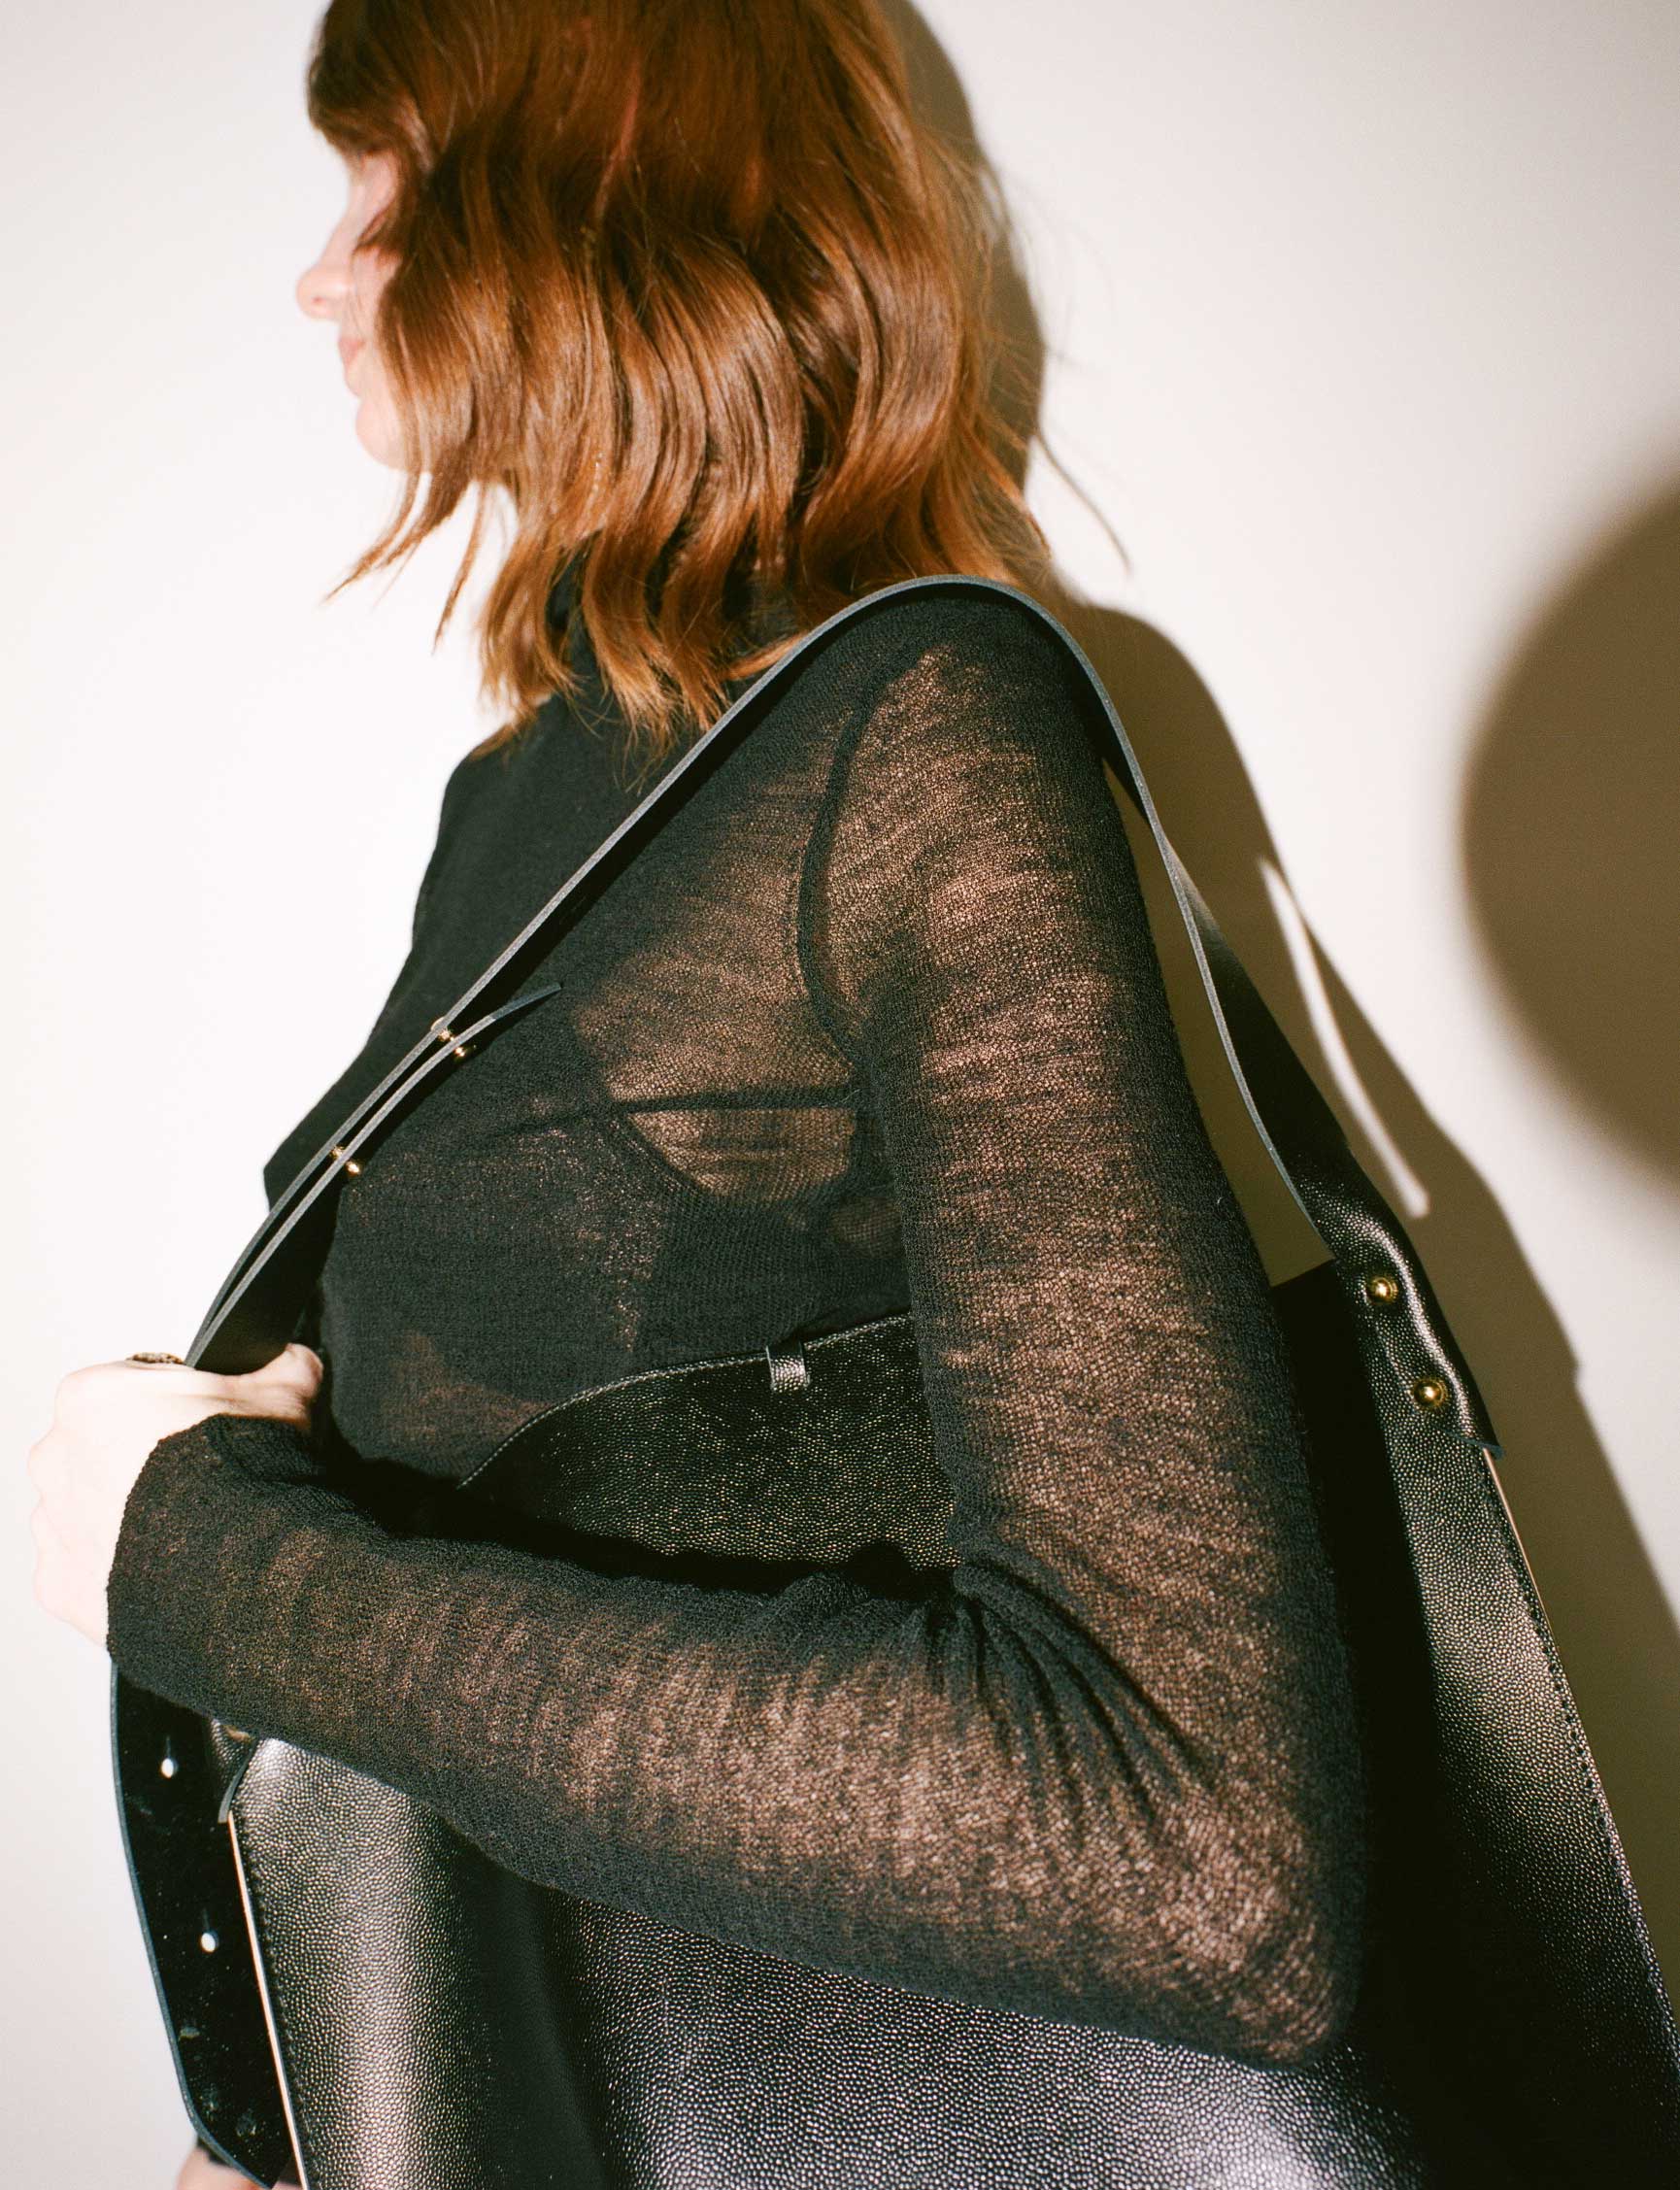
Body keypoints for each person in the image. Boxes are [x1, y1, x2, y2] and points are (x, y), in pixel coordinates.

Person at [27, 4, 1370, 2186]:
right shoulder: (531, 798)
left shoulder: (924, 729)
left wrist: (213, 1570)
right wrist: (302, 2119)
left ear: (573, 203)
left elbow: (1200, 1866)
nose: (318, 271)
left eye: (378, 182)